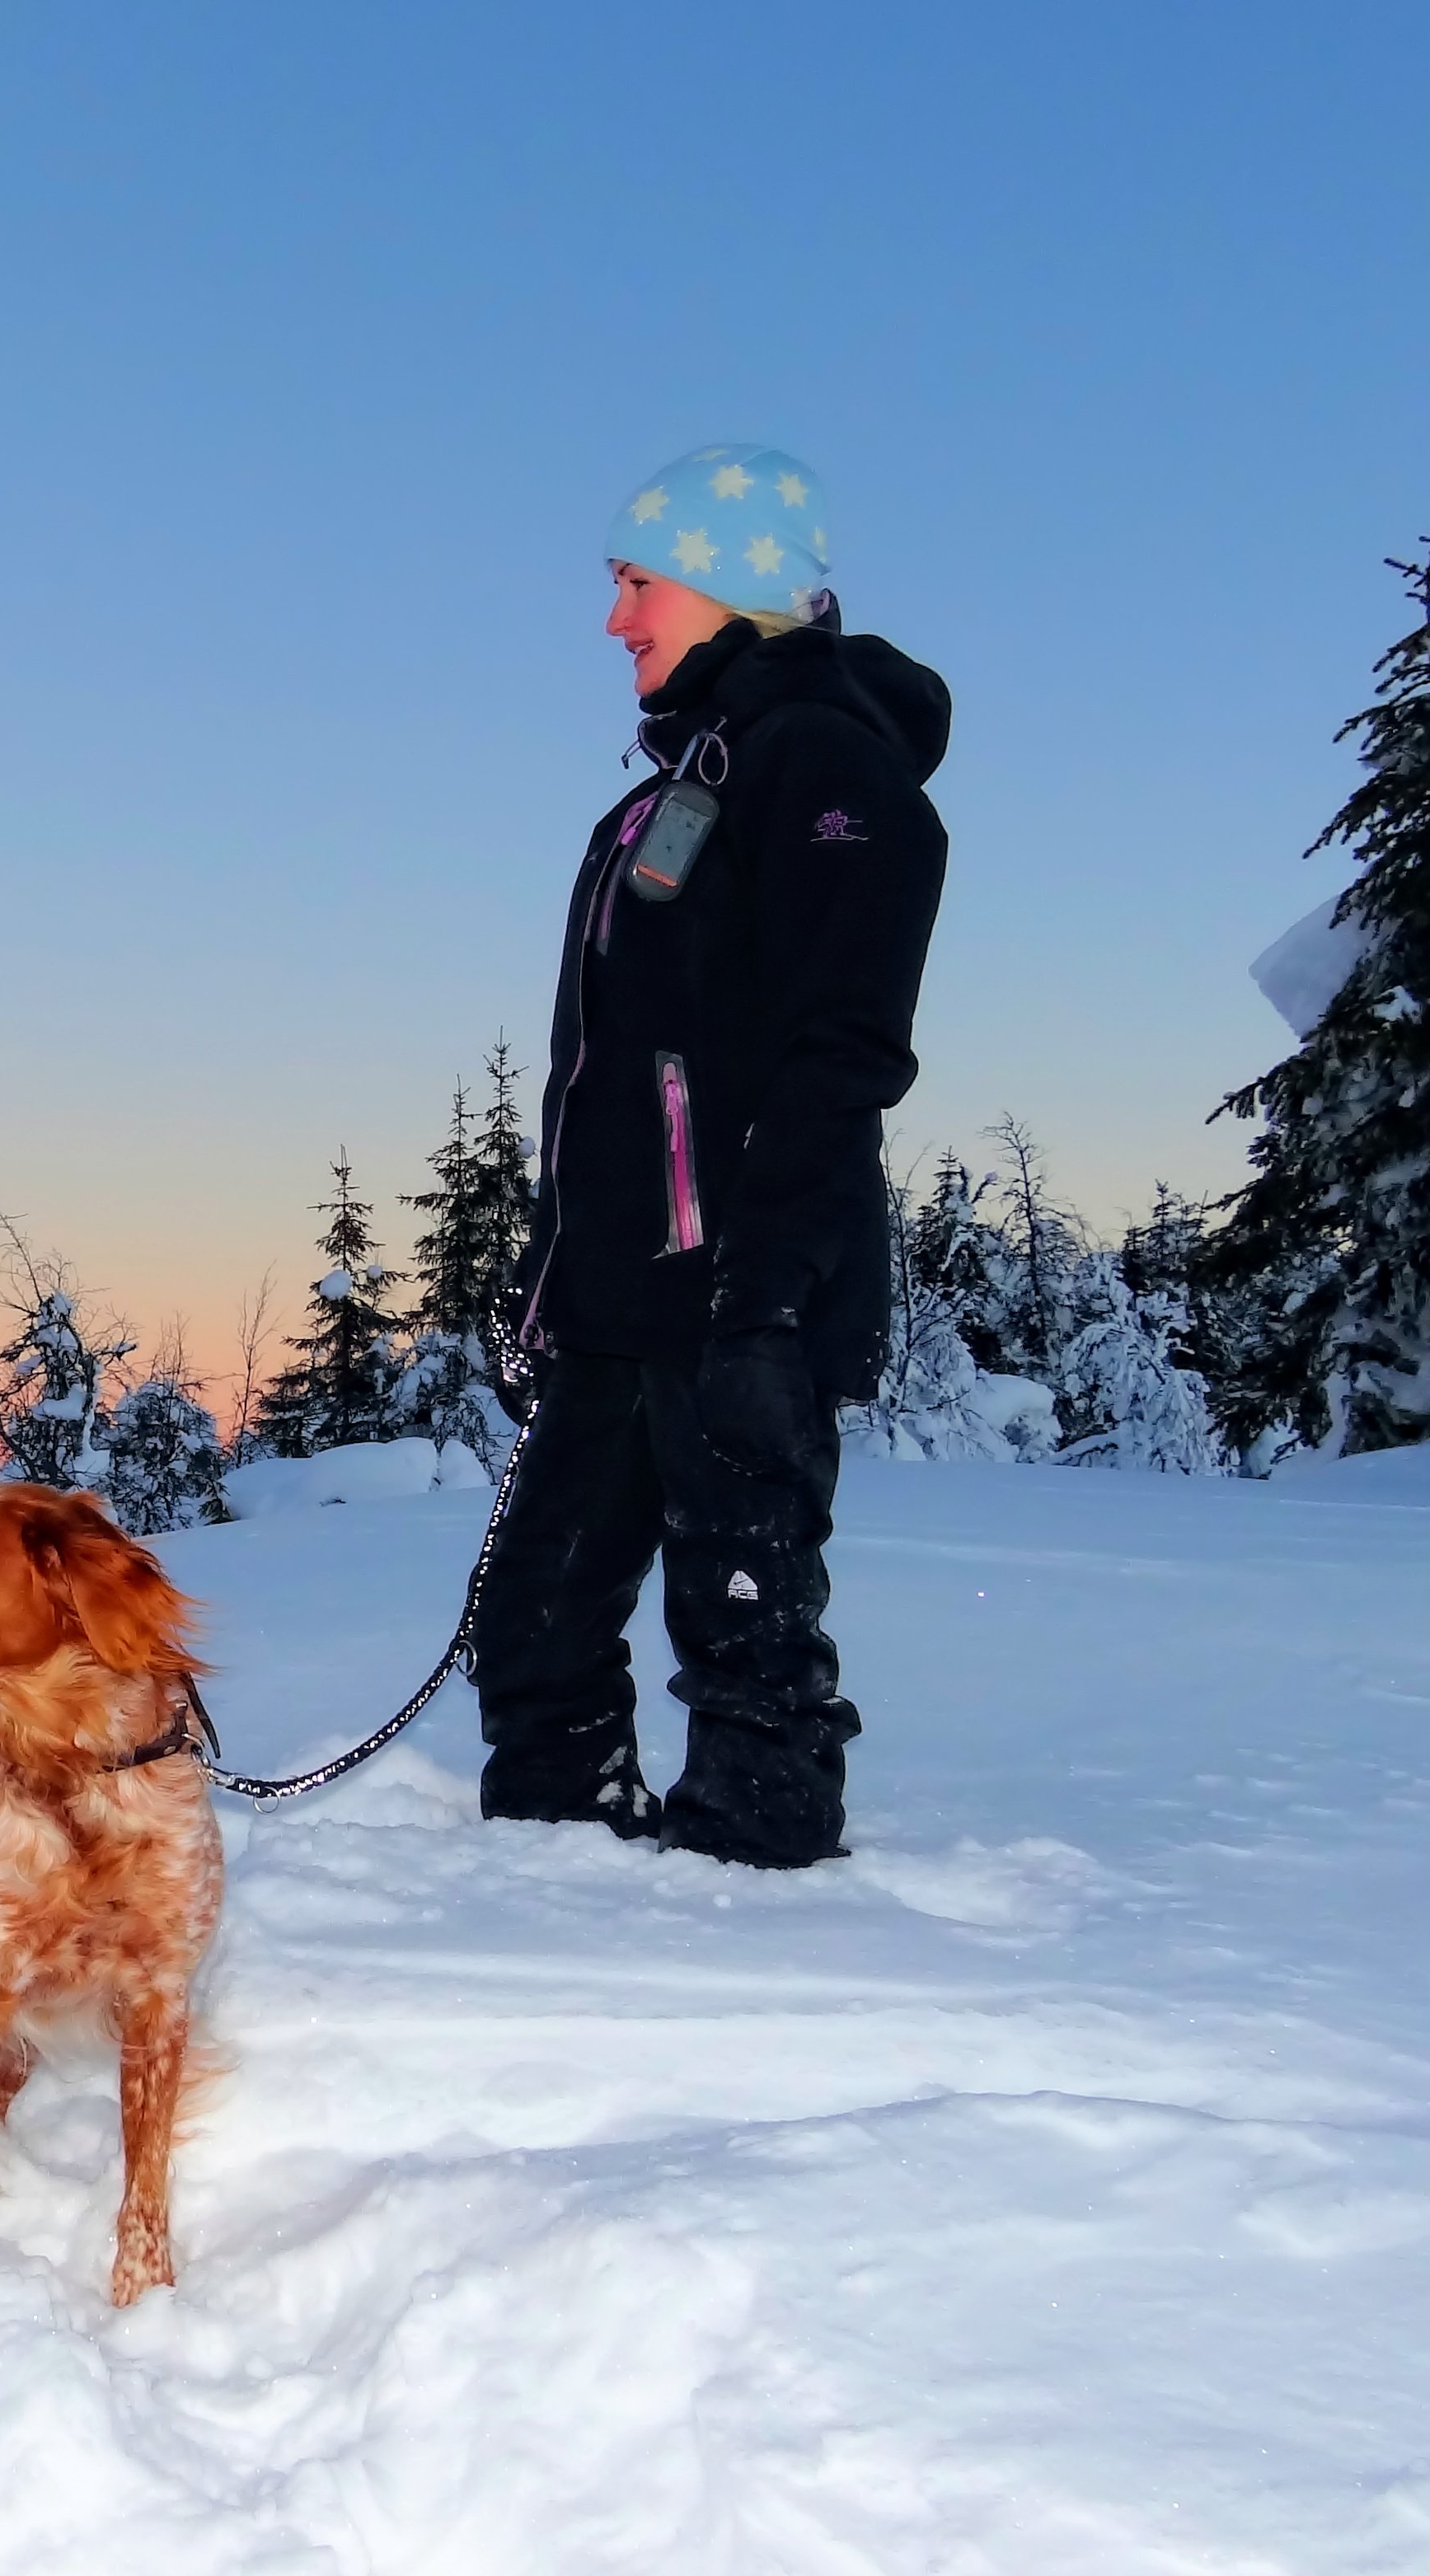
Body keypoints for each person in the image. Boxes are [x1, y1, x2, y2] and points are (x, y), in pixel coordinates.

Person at [476, 443, 949, 1866]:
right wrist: (550, 1279)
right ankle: (541, 1870)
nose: (613, 618)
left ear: (730, 583)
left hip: (741, 1286)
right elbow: (612, 1075)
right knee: (536, 1617)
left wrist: (768, 1293)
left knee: (741, 1626)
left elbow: (842, 1048)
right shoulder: (673, 787)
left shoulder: (822, 760)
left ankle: (761, 1905)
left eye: (637, 583)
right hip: (618, 1298)